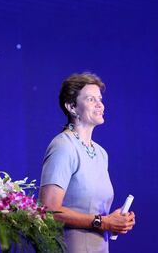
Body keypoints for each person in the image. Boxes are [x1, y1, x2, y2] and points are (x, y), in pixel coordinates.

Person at [39, 72, 135, 253]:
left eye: (100, 99)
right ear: (72, 107)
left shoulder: (101, 153)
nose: (100, 105)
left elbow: (94, 211)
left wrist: (114, 220)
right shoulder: (63, 146)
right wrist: (102, 221)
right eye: (91, 99)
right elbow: (48, 210)